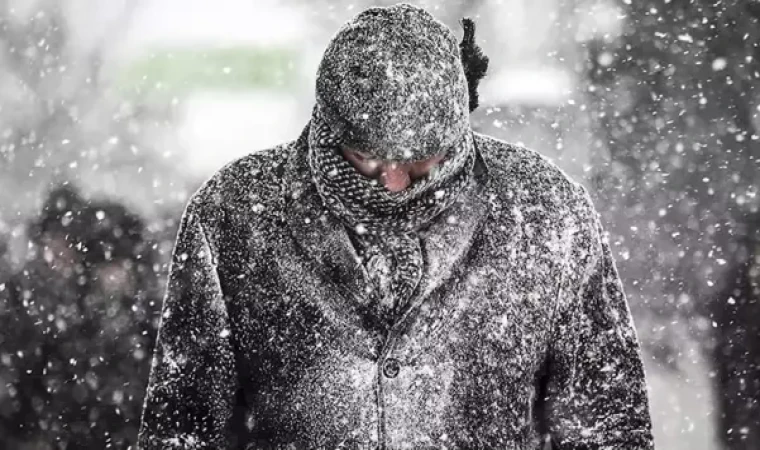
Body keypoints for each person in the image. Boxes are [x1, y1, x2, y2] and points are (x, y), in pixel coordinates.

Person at [137, 4, 654, 449]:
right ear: (328, 125)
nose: (392, 183)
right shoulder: (234, 214)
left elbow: (607, 421)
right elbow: (182, 424)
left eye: (420, 161)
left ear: (458, 129)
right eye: (365, 157)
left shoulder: (546, 214)